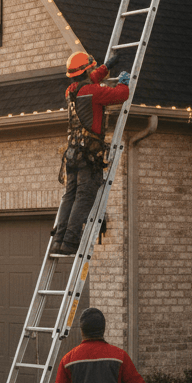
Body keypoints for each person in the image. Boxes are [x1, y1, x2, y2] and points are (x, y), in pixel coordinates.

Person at [49, 52, 130, 256]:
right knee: (84, 197)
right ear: (86, 70)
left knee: (70, 195)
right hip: (88, 156)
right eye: (91, 68)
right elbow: (120, 95)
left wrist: (105, 67)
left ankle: (59, 240)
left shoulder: (71, 91)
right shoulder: (94, 92)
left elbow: (89, 81)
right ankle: (71, 242)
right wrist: (123, 83)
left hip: (72, 153)